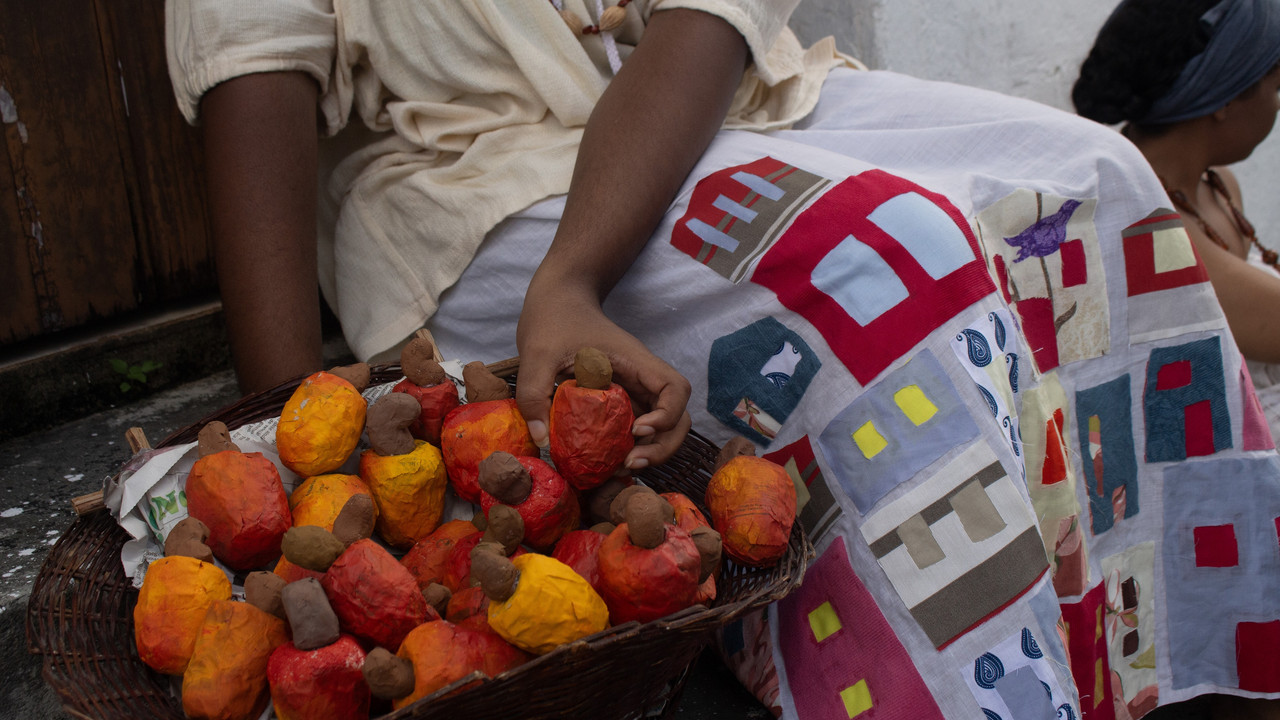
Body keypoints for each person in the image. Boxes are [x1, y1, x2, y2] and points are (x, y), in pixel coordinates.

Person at [167, 2, 1280, 718]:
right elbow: (255, 78)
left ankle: (1175, 657)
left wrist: (577, 278)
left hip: (724, 99)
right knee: (893, 267)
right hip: (478, 174)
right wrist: (295, 439)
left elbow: (707, 19)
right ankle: (965, 696)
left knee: (1093, 180)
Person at [1075, 0, 1280, 441]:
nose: (1277, 107)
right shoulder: (1149, 230)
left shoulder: (1218, 188)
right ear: (1227, 98)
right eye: (1275, 87)